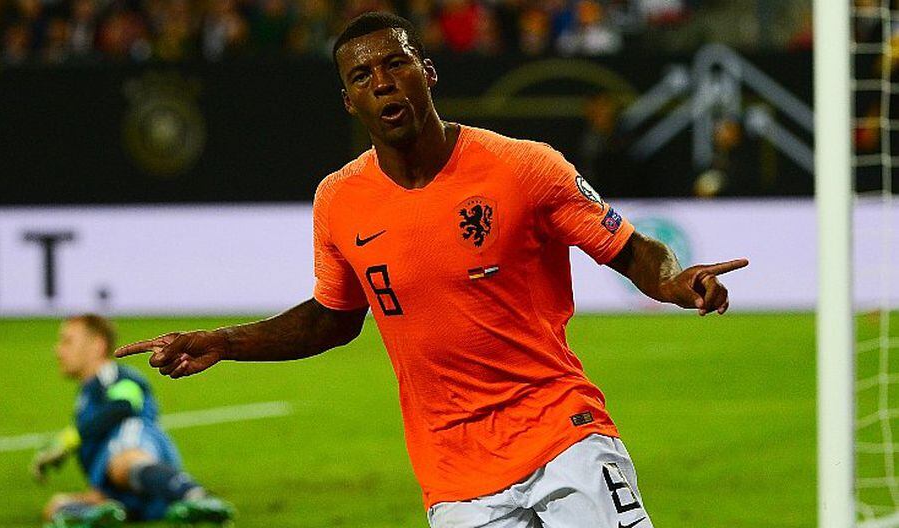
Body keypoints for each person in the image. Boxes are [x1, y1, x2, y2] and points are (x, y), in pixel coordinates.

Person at [116, 12, 748, 528]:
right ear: (349, 101)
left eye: (397, 63)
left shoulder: (523, 167)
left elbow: (630, 248)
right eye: (363, 75)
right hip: (453, 475)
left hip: (562, 436)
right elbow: (332, 319)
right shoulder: (339, 201)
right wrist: (223, 342)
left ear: (429, 71)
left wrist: (673, 280)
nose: (383, 82)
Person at [32, 314, 235, 528]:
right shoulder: (87, 392)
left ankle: (196, 496)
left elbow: (123, 406)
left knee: (124, 456)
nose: (58, 350)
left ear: (97, 345)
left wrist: (70, 439)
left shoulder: (116, 375)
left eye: (68, 341)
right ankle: (111, 513)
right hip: (119, 487)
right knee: (56, 506)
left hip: (139, 450)